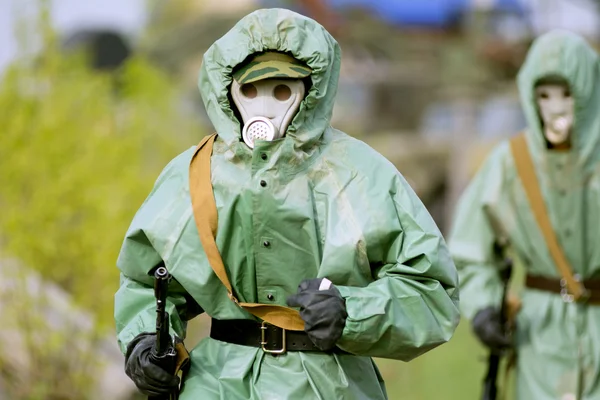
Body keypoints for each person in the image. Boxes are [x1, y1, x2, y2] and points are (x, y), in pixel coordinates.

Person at [115, 8, 459, 399]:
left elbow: (431, 290)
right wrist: (146, 341)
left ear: (311, 90)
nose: (265, 106)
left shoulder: (362, 174)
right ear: (226, 90)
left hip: (328, 385)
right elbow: (147, 279)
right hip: (218, 383)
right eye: (251, 90)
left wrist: (351, 311)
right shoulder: (193, 174)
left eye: (282, 90)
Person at [449, 30, 600, 400]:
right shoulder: (511, 163)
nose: (556, 107)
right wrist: (484, 307)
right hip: (539, 331)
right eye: (544, 94)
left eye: (567, 93)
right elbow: (469, 249)